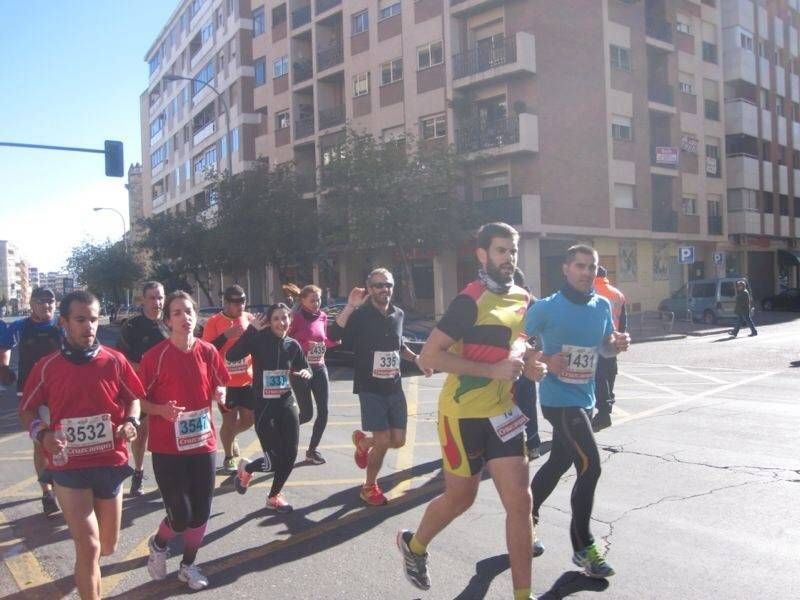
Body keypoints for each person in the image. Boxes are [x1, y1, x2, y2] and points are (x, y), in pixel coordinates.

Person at [397, 223, 546, 600]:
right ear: (482, 254)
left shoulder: (523, 299)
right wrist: (492, 371)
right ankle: (414, 545)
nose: (509, 258)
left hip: (504, 414)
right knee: (461, 498)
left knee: (521, 502)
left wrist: (531, 365)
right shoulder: (469, 300)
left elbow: (521, 344)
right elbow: (430, 356)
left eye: (512, 251)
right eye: (501, 251)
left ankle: (522, 595)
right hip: (460, 416)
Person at [19, 291, 143, 600]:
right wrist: (42, 433)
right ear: (63, 323)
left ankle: (88, 571)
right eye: (80, 320)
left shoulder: (114, 361)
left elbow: (134, 399)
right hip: (68, 465)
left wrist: (132, 422)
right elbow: (27, 409)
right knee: (88, 546)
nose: (89, 326)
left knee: (108, 545)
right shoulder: (48, 367)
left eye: (94, 319)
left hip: (109, 462)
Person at [524, 245, 630, 579]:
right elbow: (517, 342)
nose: (587, 273)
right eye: (580, 266)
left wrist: (616, 345)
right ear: (566, 269)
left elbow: (603, 346)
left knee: (559, 462)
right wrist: (542, 359)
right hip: (558, 399)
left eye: (592, 267)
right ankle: (583, 546)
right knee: (591, 466)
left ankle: (525, 518)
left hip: (583, 397)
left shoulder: (601, 305)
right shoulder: (546, 308)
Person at [139, 291, 230, 591]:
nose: (184, 317)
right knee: (180, 517)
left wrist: (220, 393)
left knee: (201, 512)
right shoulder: (155, 357)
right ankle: (159, 543)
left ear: (196, 316)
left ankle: (188, 565)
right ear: (168, 320)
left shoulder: (207, 351)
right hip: (168, 448)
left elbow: (221, 382)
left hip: (203, 443)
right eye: (176, 312)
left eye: (189, 311)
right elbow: (138, 401)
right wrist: (161, 410)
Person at [329, 268, 432, 506]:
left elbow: (399, 345)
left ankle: (364, 443)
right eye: (378, 285)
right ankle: (369, 486)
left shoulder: (398, 314)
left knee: (399, 441)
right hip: (370, 386)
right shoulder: (360, 314)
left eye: (387, 285)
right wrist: (350, 306)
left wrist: (417, 360)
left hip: (394, 386)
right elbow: (334, 334)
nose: (383, 289)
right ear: (370, 288)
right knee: (384, 440)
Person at [228, 303, 311, 512]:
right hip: (265, 406)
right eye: (276, 318)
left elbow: (303, 365)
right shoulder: (258, 340)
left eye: (285, 318)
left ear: (290, 320)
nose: (281, 322)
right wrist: (251, 330)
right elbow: (232, 355)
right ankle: (247, 468)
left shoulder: (293, 345)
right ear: (269, 321)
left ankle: (274, 496)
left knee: (290, 455)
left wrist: (306, 372)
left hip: (286, 401)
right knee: (274, 461)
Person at [0, 287, 62, 515]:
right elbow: (4, 346)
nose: (47, 305)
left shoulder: (62, 326)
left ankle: (63, 485)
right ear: (32, 303)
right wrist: (4, 366)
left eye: (51, 301)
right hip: (30, 393)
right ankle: (47, 491)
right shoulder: (21, 327)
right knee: (40, 442)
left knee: (62, 440)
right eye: (42, 301)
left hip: (59, 392)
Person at [116, 281, 169, 496]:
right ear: (143, 300)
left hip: (167, 386)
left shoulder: (170, 322)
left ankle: (169, 475)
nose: (157, 302)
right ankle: (138, 471)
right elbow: (121, 358)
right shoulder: (131, 326)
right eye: (152, 298)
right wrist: (143, 367)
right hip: (140, 387)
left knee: (168, 432)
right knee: (141, 432)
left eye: (160, 297)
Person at [201, 285, 255, 473]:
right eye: (236, 301)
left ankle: (231, 437)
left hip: (247, 380)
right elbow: (206, 350)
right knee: (229, 421)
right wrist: (225, 336)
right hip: (225, 382)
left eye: (243, 300)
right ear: (226, 302)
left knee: (249, 420)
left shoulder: (249, 319)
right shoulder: (214, 322)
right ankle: (229, 456)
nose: (240, 305)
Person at [287, 284, 338, 464]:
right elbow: (286, 341)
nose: (316, 303)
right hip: (300, 370)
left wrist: (334, 342)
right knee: (307, 414)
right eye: (312, 300)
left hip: (319, 368)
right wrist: (301, 348)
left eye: (318, 299)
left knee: (324, 412)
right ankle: (283, 433)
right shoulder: (296, 318)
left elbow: (323, 340)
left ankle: (312, 450)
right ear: (303, 301)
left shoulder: (323, 317)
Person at [591, 266, 627, 432]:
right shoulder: (617, 294)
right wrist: (620, 339)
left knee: (599, 377)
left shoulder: (591, 292)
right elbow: (623, 319)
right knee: (610, 372)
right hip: (614, 340)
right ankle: (609, 403)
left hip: (596, 341)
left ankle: (604, 411)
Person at [513, 267, 542, 459]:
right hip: (512, 363)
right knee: (523, 404)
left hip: (523, 364)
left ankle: (531, 444)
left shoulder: (534, 305)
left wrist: (534, 356)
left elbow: (545, 336)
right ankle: (529, 444)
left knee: (525, 404)